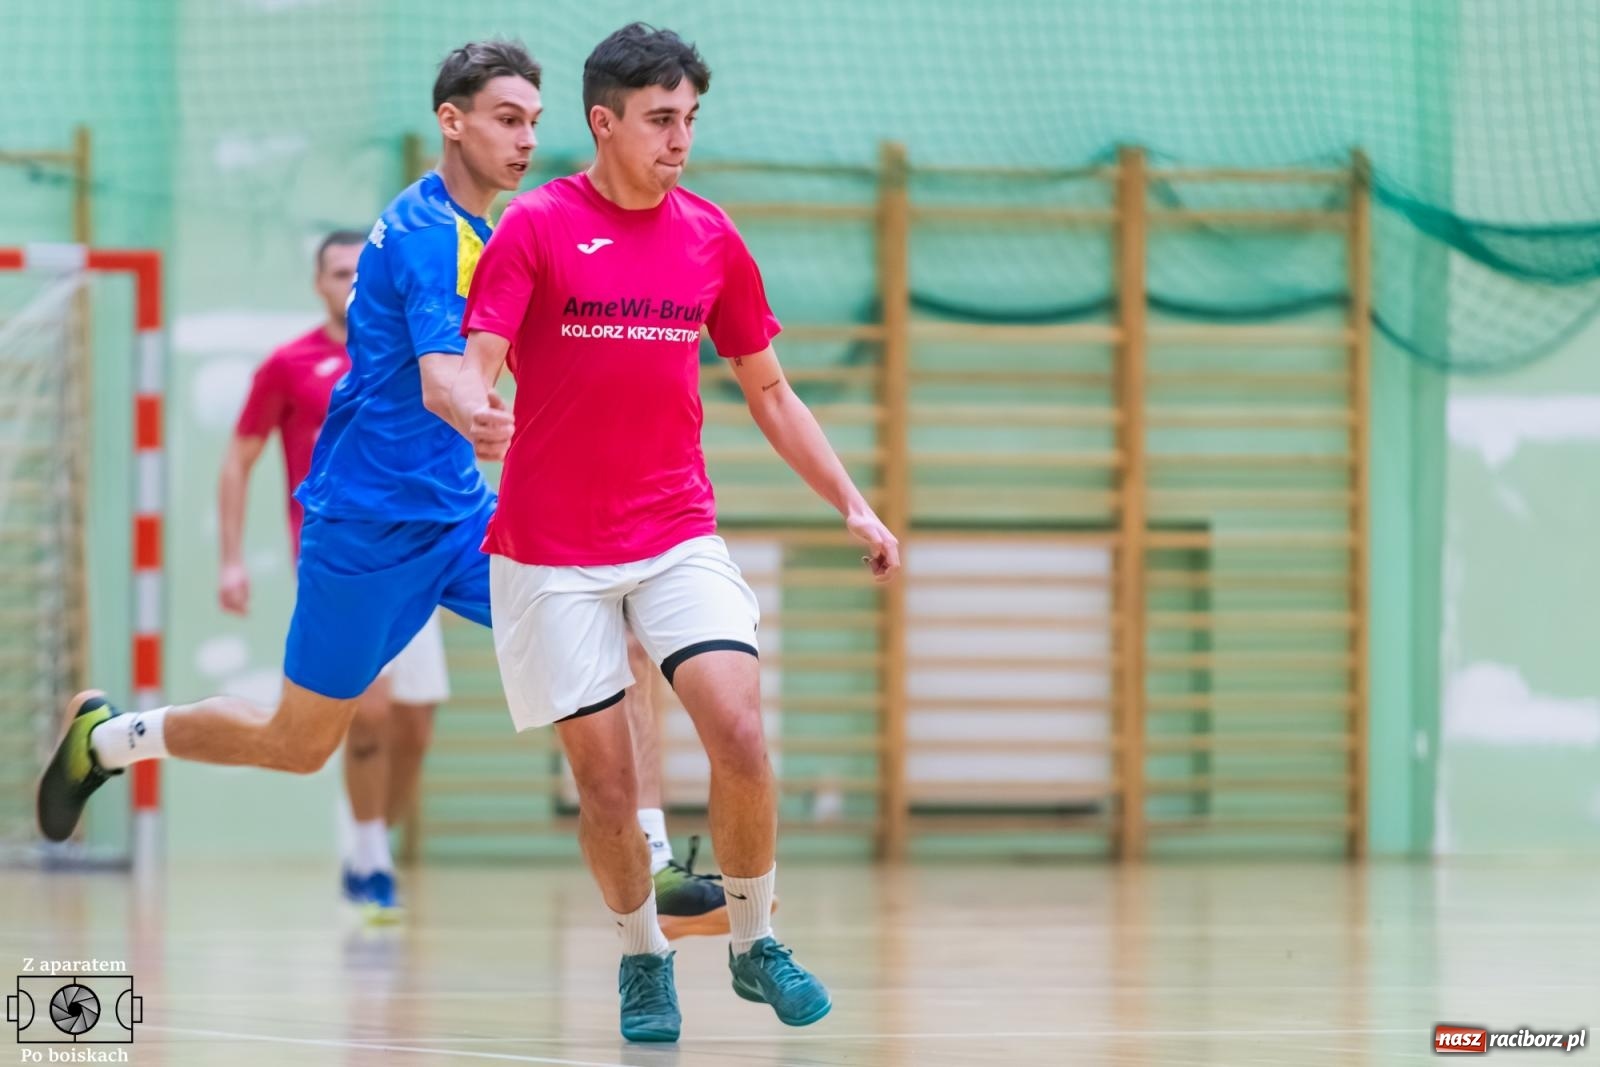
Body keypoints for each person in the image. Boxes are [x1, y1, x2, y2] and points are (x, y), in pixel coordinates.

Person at [37, 37, 728, 938]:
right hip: (367, 524)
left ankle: (654, 855)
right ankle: (113, 739)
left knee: (625, 629)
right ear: (453, 121)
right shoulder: (424, 234)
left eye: (534, 123)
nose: (525, 141)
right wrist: (478, 410)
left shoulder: (502, 229)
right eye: (506, 120)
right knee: (297, 742)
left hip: (468, 520)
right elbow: (445, 377)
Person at [447, 23, 900, 1044]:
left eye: (689, 117)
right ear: (602, 122)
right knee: (607, 788)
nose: (678, 137)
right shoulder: (536, 227)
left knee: (738, 727)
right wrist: (474, 401)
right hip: (551, 549)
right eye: (659, 118)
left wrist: (852, 501)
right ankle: (642, 957)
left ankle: (752, 941)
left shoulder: (710, 235)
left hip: (673, 530)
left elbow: (771, 391)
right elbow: (480, 351)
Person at [216, 228, 451, 918]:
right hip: (340, 561)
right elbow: (238, 458)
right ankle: (372, 859)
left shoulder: (412, 354)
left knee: (414, 729)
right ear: (318, 283)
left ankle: (367, 834)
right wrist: (232, 558)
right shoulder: (289, 366)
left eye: (361, 271)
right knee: (369, 711)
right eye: (338, 271)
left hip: (420, 553)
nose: (350, 283)